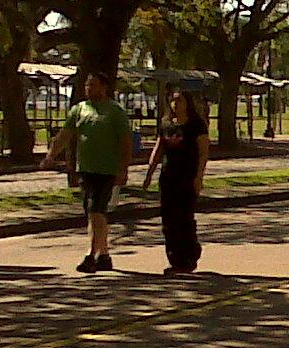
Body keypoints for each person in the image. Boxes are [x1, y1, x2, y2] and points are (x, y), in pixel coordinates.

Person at [42, 71, 132, 273]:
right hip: (86, 169)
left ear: (104, 87)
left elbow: (126, 143)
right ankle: (105, 254)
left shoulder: (115, 111)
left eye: (94, 85)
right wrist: (51, 155)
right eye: (87, 85)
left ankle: (91, 254)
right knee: (94, 213)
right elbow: (65, 135)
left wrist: (123, 169)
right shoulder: (79, 109)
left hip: (107, 169)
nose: (89, 89)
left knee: (96, 211)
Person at [143, 88, 210, 275]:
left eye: (179, 100)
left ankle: (189, 257)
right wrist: (149, 174)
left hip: (187, 178)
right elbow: (158, 150)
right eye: (172, 101)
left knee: (184, 219)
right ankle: (174, 259)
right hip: (168, 178)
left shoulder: (196, 125)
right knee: (168, 221)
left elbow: (204, 152)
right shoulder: (166, 124)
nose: (175, 104)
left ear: (187, 103)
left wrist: (199, 178)